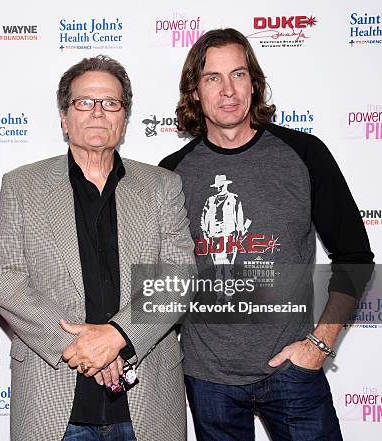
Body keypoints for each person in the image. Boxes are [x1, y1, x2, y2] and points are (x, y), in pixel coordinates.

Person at [159, 28, 374, 440]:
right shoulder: (171, 173)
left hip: (293, 371)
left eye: (238, 75)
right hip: (208, 380)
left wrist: (320, 345)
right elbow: (161, 277)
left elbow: (354, 258)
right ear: (195, 92)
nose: (227, 90)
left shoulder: (305, 154)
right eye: (212, 78)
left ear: (254, 84)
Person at [0, 55, 195, 441]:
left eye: (110, 103)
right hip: (53, 401)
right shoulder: (22, 185)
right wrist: (80, 347)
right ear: (64, 118)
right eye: (84, 102)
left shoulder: (162, 186)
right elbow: (4, 278)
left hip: (147, 403)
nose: (98, 112)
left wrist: (117, 336)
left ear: (125, 119)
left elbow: (179, 278)